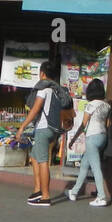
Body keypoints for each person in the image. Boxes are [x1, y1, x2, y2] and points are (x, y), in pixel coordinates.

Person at [15, 61, 71, 207]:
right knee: (34, 157)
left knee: (43, 161)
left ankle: (45, 196)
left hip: (43, 129)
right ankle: (37, 189)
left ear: (42, 74)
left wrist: (22, 127)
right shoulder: (58, 91)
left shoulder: (43, 89)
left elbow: (35, 110)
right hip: (54, 130)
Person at [66, 79, 111, 206]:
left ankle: (101, 197)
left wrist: (73, 139)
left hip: (92, 137)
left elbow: (83, 125)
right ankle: (74, 192)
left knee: (96, 168)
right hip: (103, 136)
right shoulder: (107, 105)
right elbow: (108, 124)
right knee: (84, 164)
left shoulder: (90, 105)